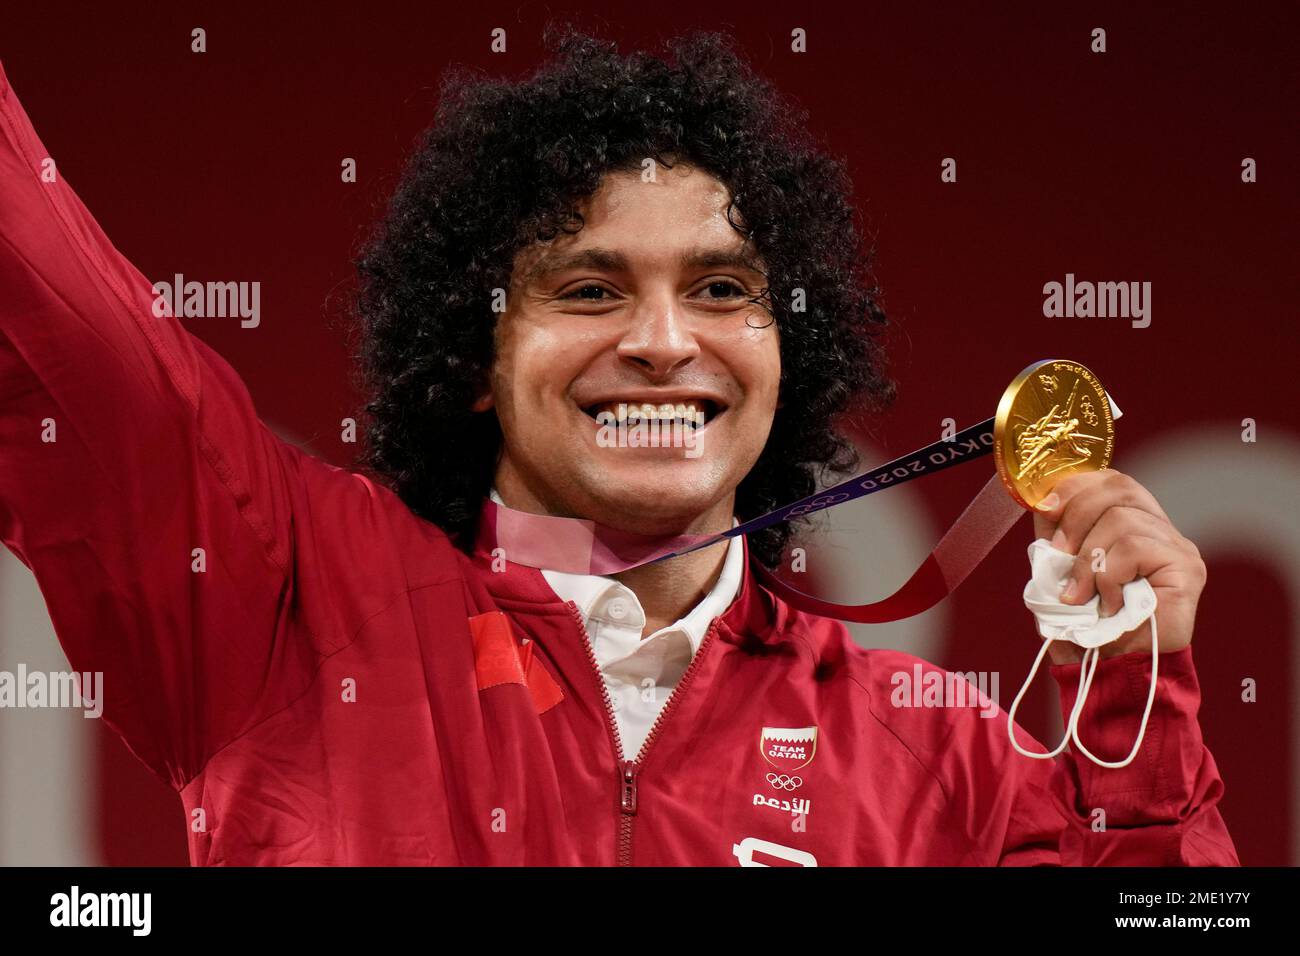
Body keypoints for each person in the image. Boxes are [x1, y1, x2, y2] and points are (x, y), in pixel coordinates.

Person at [0, 29, 1237, 866]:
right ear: (472, 361)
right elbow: (57, 315)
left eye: (719, 289)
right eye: (588, 290)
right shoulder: (291, 602)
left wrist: (1137, 687)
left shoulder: (940, 752)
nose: (662, 340)